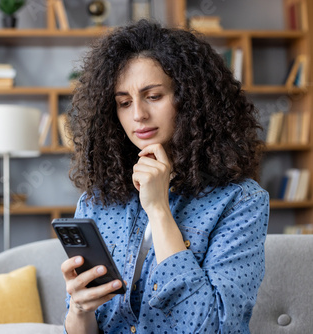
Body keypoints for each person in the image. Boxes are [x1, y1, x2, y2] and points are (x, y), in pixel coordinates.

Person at [61, 19, 269, 334]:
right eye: (124, 102)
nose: (138, 115)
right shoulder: (97, 201)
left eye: (154, 96)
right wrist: (79, 310)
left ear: (191, 99)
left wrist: (158, 209)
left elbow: (212, 328)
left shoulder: (241, 201)